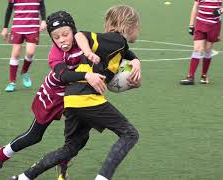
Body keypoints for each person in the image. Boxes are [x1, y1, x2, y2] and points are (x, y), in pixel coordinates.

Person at [11, 5, 141, 180]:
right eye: (138, 26)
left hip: (72, 99)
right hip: (86, 97)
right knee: (130, 134)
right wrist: (88, 53)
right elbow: (80, 35)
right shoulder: (115, 40)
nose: (139, 30)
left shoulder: (118, 46)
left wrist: (136, 66)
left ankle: (24, 177)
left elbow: (112, 79)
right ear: (130, 26)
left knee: (71, 147)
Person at [0, 11, 106, 180]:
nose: (62, 40)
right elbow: (63, 75)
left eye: (65, 34)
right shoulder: (55, 55)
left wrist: (134, 61)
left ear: (74, 31)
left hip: (77, 94)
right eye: (56, 37)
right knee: (34, 136)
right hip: (53, 95)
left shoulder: (84, 40)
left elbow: (113, 46)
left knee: (80, 137)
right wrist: (86, 76)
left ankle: (62, 162)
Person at [180, 0, 223, 85]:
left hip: (214, 25)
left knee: (208, 49)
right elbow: (195, 6)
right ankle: (190, 77)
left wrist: (220, 11)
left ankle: (204, 75)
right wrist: (191, 24)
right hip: (200, 23)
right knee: (197, 48)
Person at [2, 0, 47, 92]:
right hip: (18, 27)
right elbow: (9, 9)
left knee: (30, 53)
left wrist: (43, 20)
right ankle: (12, 82)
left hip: (33, 27)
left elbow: (42, 6)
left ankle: (24, 71)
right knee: (15, 54)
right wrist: (5, 27)